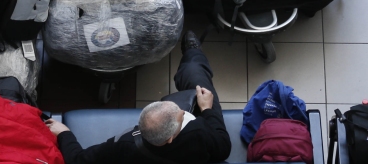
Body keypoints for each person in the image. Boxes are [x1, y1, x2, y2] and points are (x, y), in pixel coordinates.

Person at [48, 32, 232, 164]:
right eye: (180, 116)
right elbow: (223, 147)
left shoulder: (125, 146)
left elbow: (78, 160)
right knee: (199, 81)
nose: (182, 111)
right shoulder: (198, 133)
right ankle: (193, 55)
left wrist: (64, 132)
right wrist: (207, 109)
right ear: (168, 139)